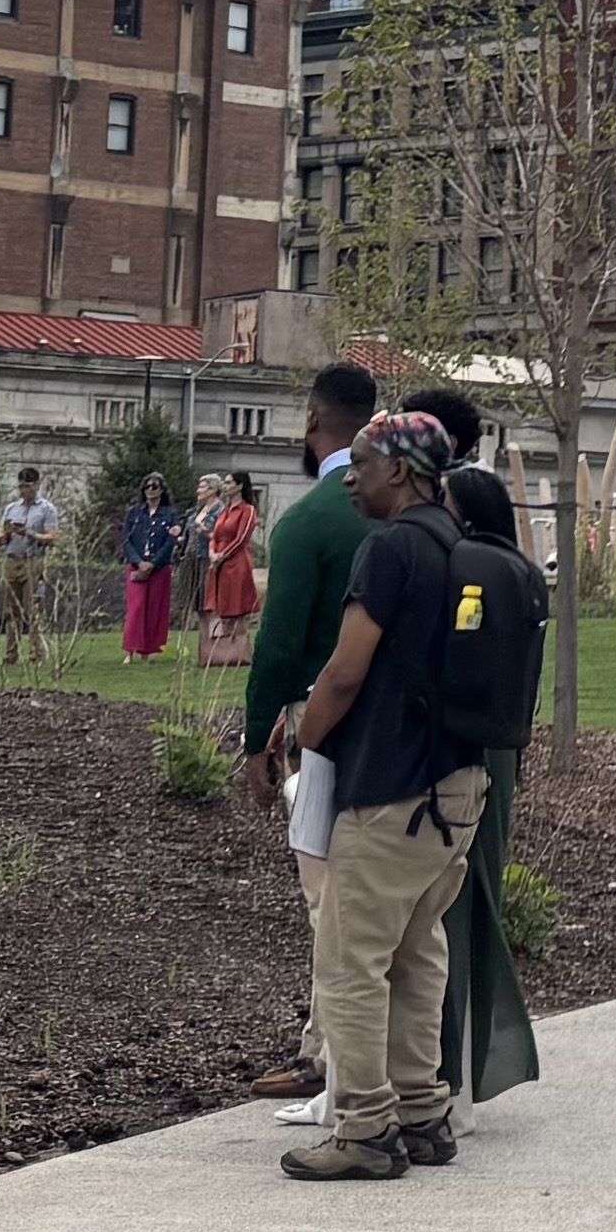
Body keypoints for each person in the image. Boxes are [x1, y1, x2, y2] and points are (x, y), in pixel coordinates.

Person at [275, 415, 481, 1179]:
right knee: (418, 947)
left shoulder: (389, 548)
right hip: (459, 785)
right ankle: (423, 1110)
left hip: (392, 785)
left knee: (348, 958)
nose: (349, 476)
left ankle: (364, 1126)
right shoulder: (459, 541)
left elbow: (346, 669)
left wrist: (308, 737)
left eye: (359, 463)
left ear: (400, 470)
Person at [238, 365, 385, 1110]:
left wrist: (255, 741)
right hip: (409, 732)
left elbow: (279, 644)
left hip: (321, 728)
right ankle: (329, 1044)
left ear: (312, 420)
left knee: (326, 898)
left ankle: (330, 1053)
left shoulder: (310, 521)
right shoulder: (411, 507)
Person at [435, 450, 553, 1120]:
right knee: (476, 899)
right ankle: (473, 1071)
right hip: (504, 750)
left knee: (458, 905)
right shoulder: (523, 574)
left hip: (469, 748)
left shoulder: (471, 574)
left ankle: (457, 1070)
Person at [0, 466, 68, 668]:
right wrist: (7, 534)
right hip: (12, 559)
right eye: (21, 486)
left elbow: (52, 536)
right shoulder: (11, 508)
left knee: (32, 608)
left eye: (27, 486)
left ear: (36, 485)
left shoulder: (46, 509)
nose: (23, 490)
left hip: (32, 560)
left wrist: (30, 533)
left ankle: (36, 654)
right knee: (10, 611)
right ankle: (11, 655)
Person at [196, 471, 263, 667]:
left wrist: (223, 555)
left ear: (239, 485)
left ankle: (239, 651)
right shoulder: (225, 510)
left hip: (236, 563)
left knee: (237, 607)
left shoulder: (247, 510)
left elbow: (241, 538)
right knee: (219, 607)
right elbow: (215, 536)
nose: (225, 486)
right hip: (218, 565)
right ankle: (218, 651)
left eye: (228, 482)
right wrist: (212, 554)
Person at [119, 476, 184, 663]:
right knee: (136, 607)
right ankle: (130, 649)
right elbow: (126, 539)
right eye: (147, 486)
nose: (150, 490)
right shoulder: (135, 513)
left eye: (154, 486)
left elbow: (170, 541)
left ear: (161, 490)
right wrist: (138, 562)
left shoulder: (169, 514)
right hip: (137, 564)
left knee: (154, 609)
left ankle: (148, 650)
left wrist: (154, 563)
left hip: (159, 567)